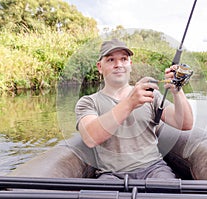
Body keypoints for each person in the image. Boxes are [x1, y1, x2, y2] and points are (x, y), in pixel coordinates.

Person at [75, 38, 193, 180]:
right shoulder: (88, 102)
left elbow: (185, 124)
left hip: (154, 168)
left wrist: (177, 90)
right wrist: (130, 103)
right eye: (111, 60)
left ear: (130, 64)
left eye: (123, 59)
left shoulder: (151, 94)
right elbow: (90, 138)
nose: (118, 65)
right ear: (100, 67)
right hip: (110, 174)